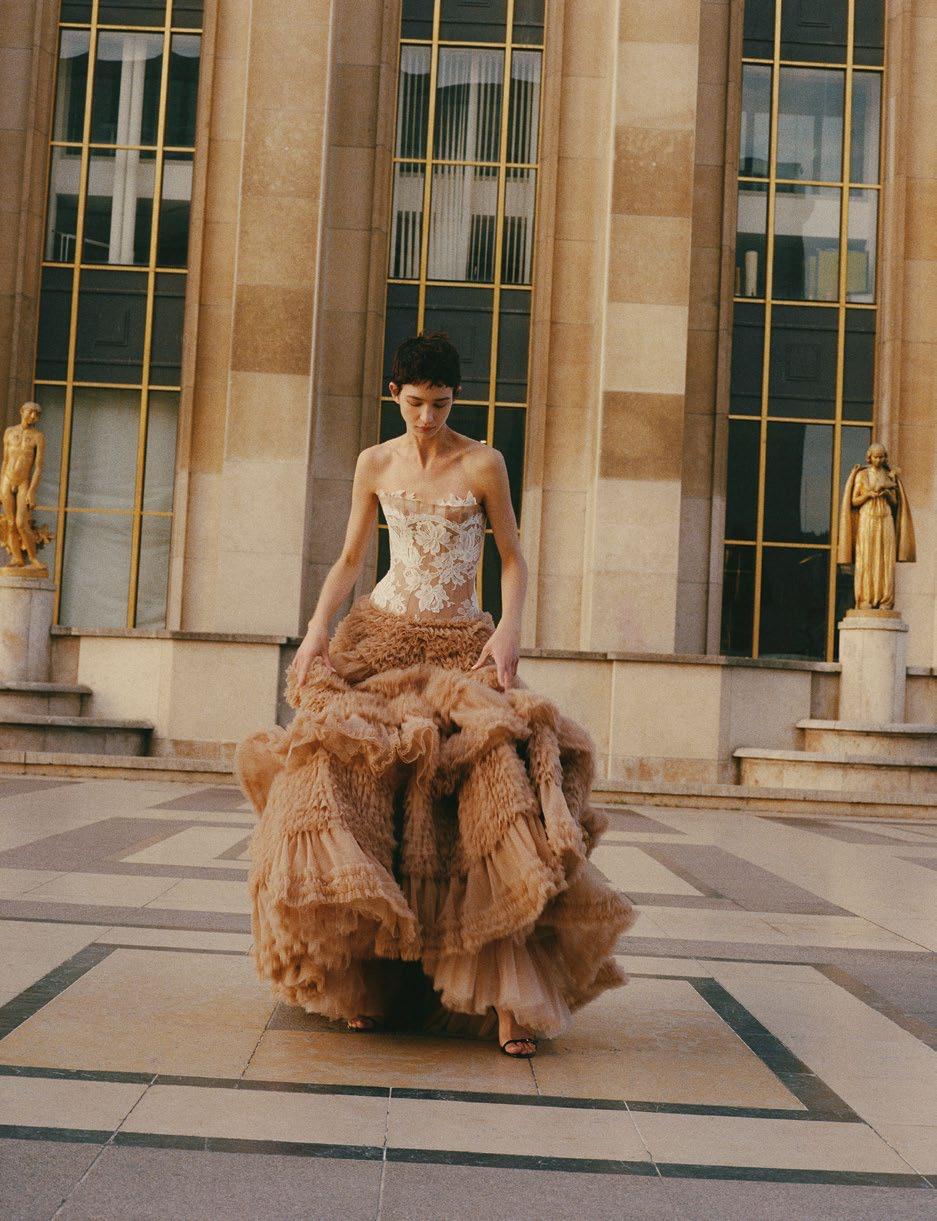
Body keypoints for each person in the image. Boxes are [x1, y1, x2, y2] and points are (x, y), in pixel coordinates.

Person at [234, 332, 635, 1058]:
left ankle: (510, 1001)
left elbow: (512, 559)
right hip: (382, 636)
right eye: (416, 403)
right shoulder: (374, 462)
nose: (427, 417)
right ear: (395, 394)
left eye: (441, 404)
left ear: (455, 400)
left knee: (489, 785)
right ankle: (368, 982)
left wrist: (508, 630)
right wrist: (316, 631)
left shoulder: (483, 463)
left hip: (461, 644)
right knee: (348, 775)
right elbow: (350, 558)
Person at [838, 442, 915, 611]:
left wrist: (887, 493)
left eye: (881, 457)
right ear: (869, 457)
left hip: (885, 518)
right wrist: (868, 495)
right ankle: (865, 598)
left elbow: (895, 503)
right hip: (867, 519)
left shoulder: (889, 475)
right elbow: (854, 501)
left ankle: (885, 599)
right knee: (867, 558)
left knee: (885, 559)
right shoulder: (862, 475)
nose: (879, 460)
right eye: (876, 457)